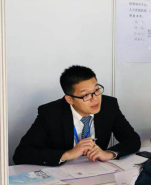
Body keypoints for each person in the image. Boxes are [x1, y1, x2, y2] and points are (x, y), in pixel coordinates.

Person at [13, 65, 141, 166]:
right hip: (62, 176)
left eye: (96, 90)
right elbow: (21, 154)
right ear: (69, 99)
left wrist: (109, 153)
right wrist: (67, 154)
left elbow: (133, 140)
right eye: (86, 95)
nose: (95, 99)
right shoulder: (50, 113)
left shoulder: (109, 105)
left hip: (96, 170)